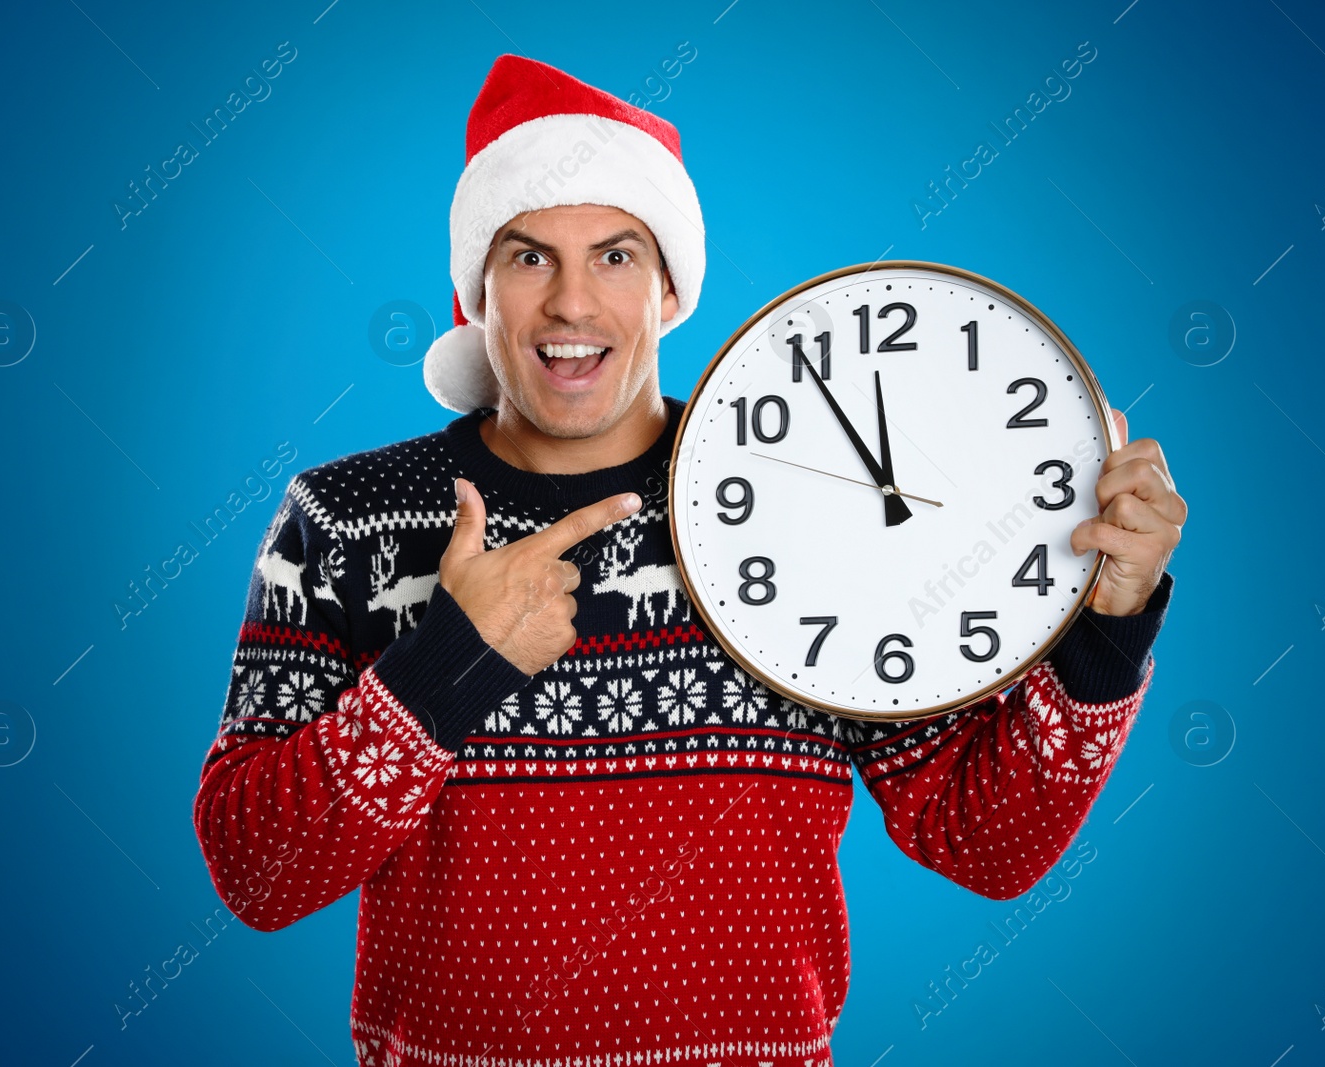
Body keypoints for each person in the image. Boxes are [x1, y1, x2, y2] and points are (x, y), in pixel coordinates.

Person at [192, 55, 1183, 1066]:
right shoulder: (346, 516)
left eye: (615, 256)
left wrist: (1111, 615)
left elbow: (985, 840)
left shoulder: (812, 505)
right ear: (474, 295)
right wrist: (448, 664)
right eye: (528, 258)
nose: (572, 303)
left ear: (669, 288)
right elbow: (256, 874)